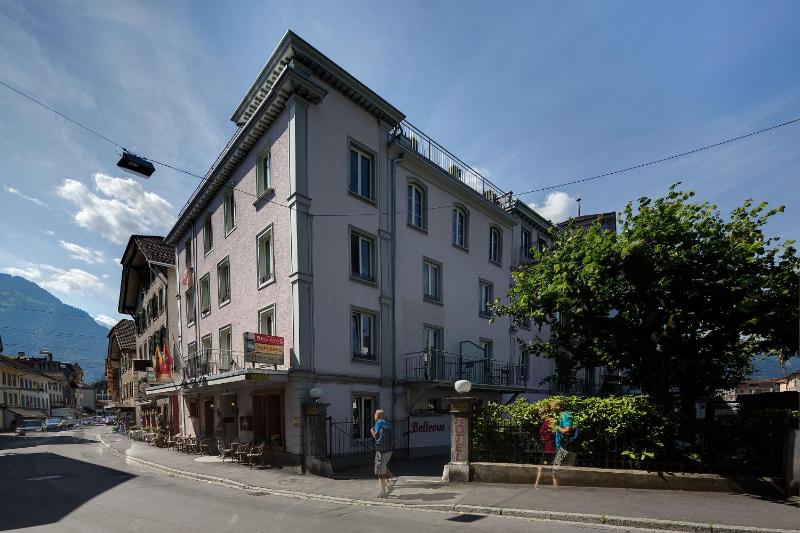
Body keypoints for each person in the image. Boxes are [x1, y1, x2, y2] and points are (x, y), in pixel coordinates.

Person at [370, 409, 396, 497]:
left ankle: (383, 492)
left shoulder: (378, 423)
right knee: (383, 467)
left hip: (381, 450)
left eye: (375, 414)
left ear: (377, 416)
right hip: (390, 450)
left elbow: (376, 435)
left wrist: (372, 432)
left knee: (380, 472)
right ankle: (392, 479)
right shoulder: (388, 423)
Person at [534, 403, 557, 488]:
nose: (540, 415)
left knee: (543, 467)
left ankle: (536, 485)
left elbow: (554, 432)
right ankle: (537, 485)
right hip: (548, 447)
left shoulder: (550, 421)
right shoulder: (548, 421)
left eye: (540, 413)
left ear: (544, 413)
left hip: (549, 448)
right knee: (552, 468)